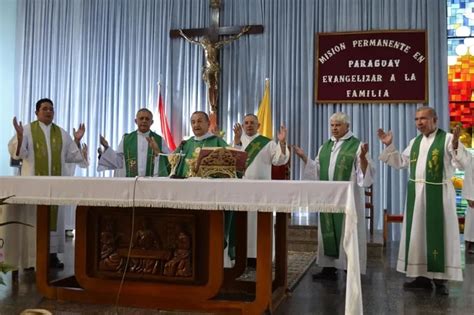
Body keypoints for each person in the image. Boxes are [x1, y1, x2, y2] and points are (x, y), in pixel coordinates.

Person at [377, 106, 471, 295]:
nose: (419, 122)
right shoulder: (415, 142)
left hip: (439, 194)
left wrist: (455, 146)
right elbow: (401, 162)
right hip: (417, 194)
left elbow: (463, 163)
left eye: (424, 118)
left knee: (440, 233)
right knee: (418, 233)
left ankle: (441, 279)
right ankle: (422, 276)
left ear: (435, 120)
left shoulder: (446, 139)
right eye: (417, 119)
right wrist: (388, 146)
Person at [6, 98, 88, 269]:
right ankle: (30, 259)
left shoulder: (61, 133)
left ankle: (52, 257)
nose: (48, 111)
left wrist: (77, 140)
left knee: (54, 222)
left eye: (51, 109)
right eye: (44, 109)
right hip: (33, 187)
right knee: (33, 220)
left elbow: (73, 156)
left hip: (54, 188)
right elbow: (19, 154)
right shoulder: (27, 130)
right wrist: (20, 137)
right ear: (37, 112)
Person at [294, 112, 374, 280]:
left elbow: (365, 176)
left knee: (348, 231)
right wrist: (304, 158)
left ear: (347, 126)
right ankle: (328, 268)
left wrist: (363, 159)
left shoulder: (357, 146)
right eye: (332, 125)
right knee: (327, 232)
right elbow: (316, 170)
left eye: (338, 125)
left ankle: (349, 268)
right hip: (328, 198)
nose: (334, 128)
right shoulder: (325, 147)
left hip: (347, 199)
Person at [232, 114, 289, 262]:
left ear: (258, 125)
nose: (249, 125)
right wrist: (236, 142)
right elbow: (232, 163)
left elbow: (279, 160)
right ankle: (243, 256)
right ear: (243, 126)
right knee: (244, 224)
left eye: (252, 123)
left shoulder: (267, 143)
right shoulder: (238, 141)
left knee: (262, 225)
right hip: (242, 191)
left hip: (262, 190)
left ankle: (262, 256)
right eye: (246, 123)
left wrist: (282, 143)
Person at [178, 26, 251, 116]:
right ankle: (211, 105)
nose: (204, 42)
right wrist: (183, 35)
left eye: (205, 40)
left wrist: (241, 32)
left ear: (207, 40)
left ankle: (214, 104)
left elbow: (231, 39)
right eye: (203, 41)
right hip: (208, 69)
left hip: (215, 68)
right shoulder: (204, 46)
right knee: (209, 86)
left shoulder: (215, 45)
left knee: (216, 86)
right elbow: (192, 41)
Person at [98, 108, 168, 177]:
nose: (144, 121)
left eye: (147, 119)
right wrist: (106, 147)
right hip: (132, 183)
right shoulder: (127, 139)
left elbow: (168, 161)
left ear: (151, 122)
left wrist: (158, 152)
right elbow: (118, 161)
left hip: (152, 183)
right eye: (141, 118)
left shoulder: (159, 140)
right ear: (136, 121)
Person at [173, 111, 228, 178]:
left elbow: (234, 159)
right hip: (186, 185)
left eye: (199, 121)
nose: (196, 125)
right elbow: (172, 163)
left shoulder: (217, 141)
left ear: (208, 123)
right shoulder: (186, 143)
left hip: (211, 185)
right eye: (193, 122)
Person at [461, 149, 474, 254]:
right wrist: (470, 196)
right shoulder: (472, 160)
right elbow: (468, 178)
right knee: (472, 222)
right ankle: (471, 243)